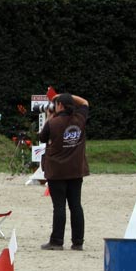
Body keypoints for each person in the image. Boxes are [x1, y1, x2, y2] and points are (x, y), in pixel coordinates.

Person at [38, 92, 90, 251]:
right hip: (76, 169)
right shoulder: (80, 118)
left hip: (57, 170)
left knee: (59, 206)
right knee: (76, 205)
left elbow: (42, 138)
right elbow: (85, 102)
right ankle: (78, 241)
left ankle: (57, 241)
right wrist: (66, 96)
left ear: (59, 105)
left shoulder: (53, 123)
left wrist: (49, 116)